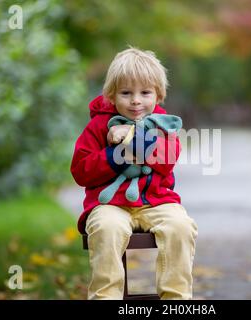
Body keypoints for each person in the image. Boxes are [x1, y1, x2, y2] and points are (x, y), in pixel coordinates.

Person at [70, 47, 198, 300]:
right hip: (110, 204)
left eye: (145, 93)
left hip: (156, 201)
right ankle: (106, 296)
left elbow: (168, 158)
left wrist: (130, 142)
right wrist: (112, 155)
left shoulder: (164, 124)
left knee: (181, 226)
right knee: (106, 227)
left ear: (158, 95)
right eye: (126, 93)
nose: (136, 100)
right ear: (111, 95)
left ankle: (176, 297)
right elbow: (81, 171)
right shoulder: (98, 125)